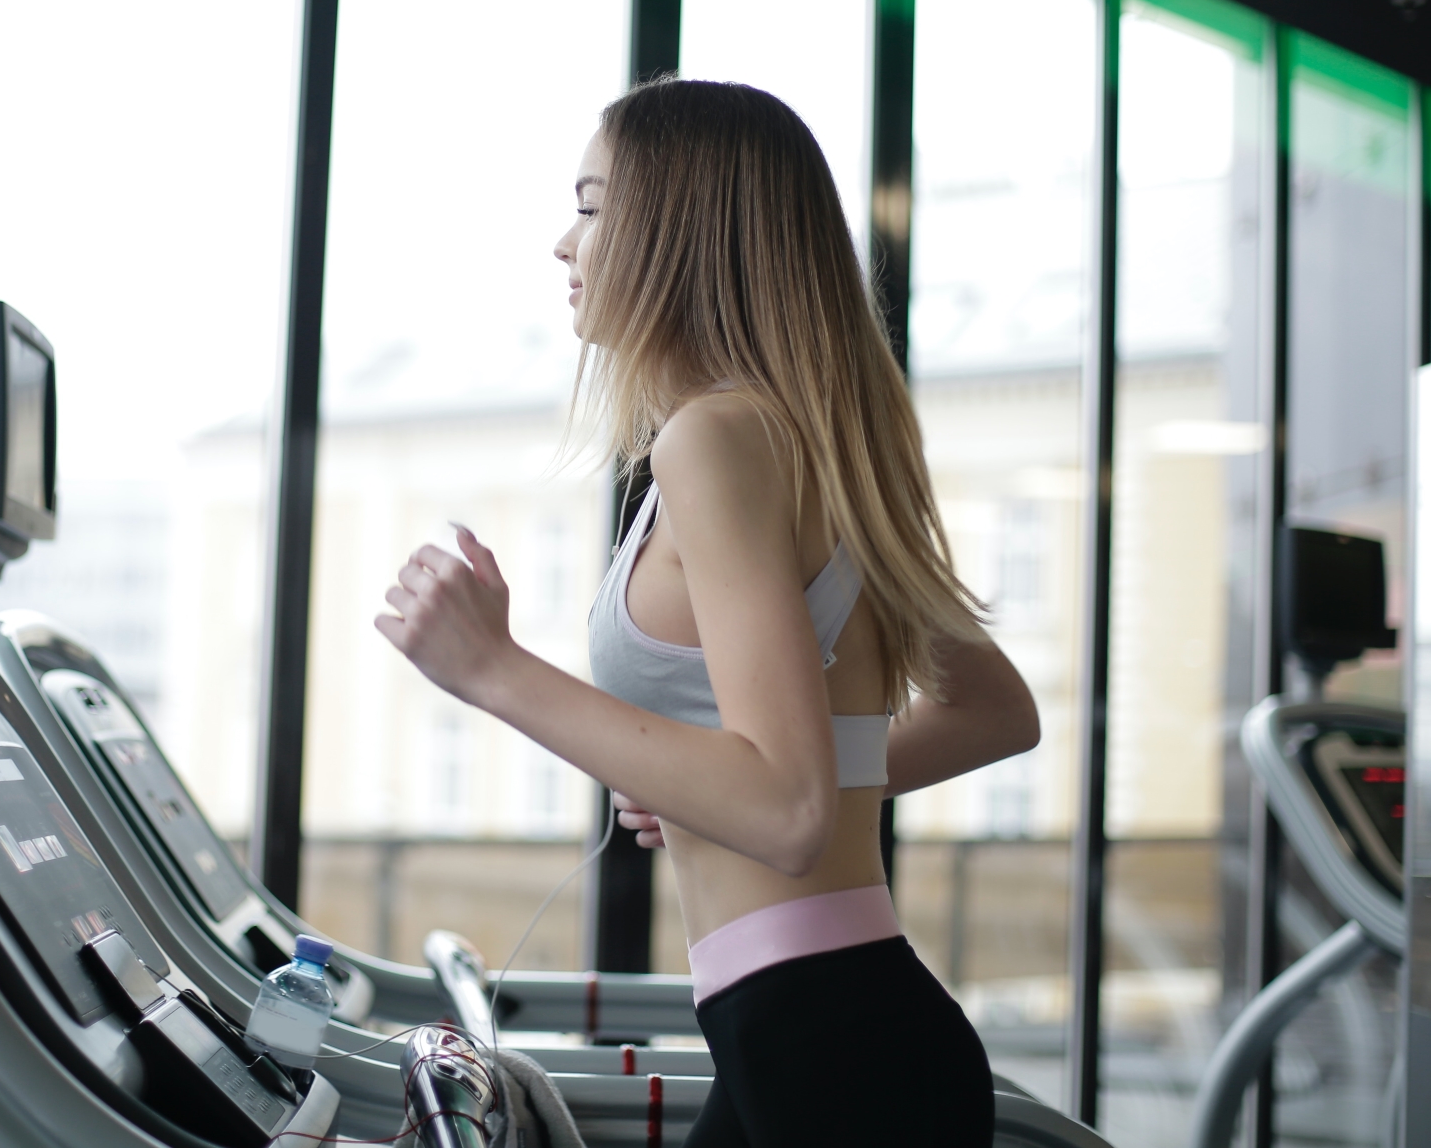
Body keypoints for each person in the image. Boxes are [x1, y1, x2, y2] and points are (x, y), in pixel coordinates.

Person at [375, 78, 1039, 1146]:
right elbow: (991, 714)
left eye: (590, 206)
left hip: (821, 1042)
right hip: (823, 1025)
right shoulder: (819, 438)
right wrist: (699, 794)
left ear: (676, 228)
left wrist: (494, 669)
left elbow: (784, 807)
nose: (562, 242)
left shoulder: (712, 442)